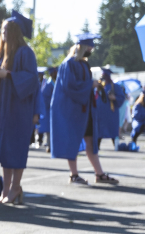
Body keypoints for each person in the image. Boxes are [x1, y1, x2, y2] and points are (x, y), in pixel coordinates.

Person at [0, 13, 39, 204]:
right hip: (3, 110)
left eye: (6, 30)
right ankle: (6, 189)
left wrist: (9, 75)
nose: (3, 33)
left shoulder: (25, 53)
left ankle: (15, 187)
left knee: (18, 150)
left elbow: (31, 79)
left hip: (19, 110)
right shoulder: (2, 55)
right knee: (5, 150)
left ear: (15, 32)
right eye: (2, 29)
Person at [50, 34, 118, 186]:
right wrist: (90, 84)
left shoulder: (82, 63)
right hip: (72, 110)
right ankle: (74, 175)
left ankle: (99, 174)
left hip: (84, 109)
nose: (91, 49)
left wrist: (93, 85)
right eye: (89, 47)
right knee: (73, 140)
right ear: (81, 47)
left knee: (90, 140)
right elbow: (70, 87)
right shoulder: (69, 64)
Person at [95, 69, 127, 149]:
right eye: (102, 77)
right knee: (100, 130)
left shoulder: (115, 86)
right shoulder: (100, 87)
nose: (103, 78)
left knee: (112, 129)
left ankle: (116, 146)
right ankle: (96, 147)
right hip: (100, 114)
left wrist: (114, 97)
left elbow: (122, 97)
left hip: (111, 113)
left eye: (104, 77)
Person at [38, 66, 56, 152]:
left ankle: (50, 145)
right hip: (49, 109)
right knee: (49, 130)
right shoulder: (48, 85)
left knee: (51, 129)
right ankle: (49, 145)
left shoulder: (52, 83)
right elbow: (46, 98)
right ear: (52, 74)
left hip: (52, 110)